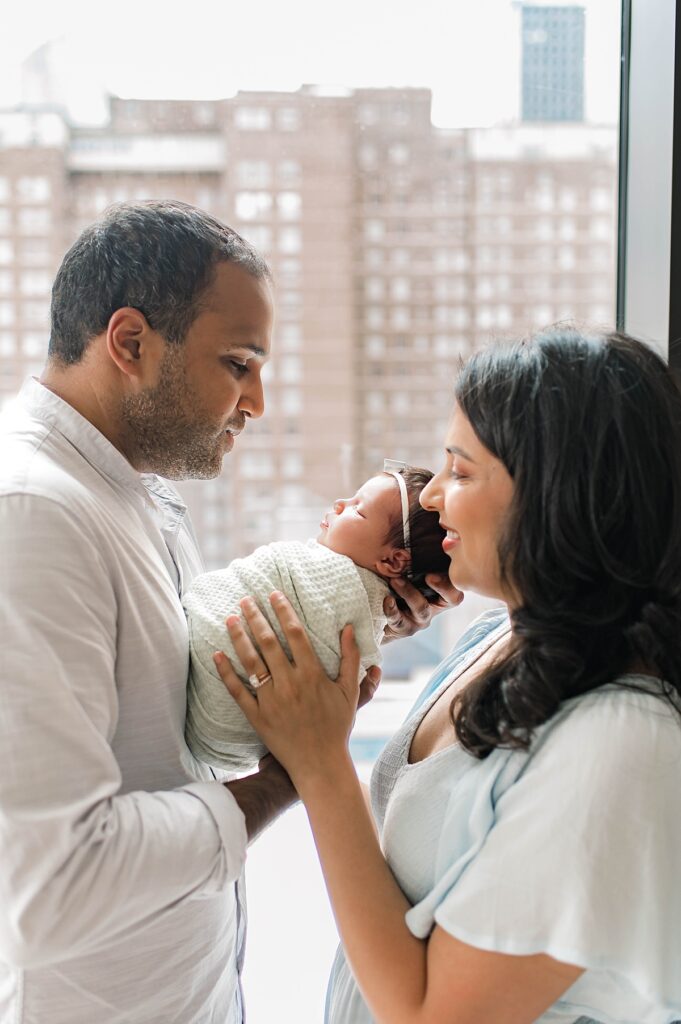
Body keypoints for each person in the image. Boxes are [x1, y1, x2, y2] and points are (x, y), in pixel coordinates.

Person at [0, 198, 457, 1024]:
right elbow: (50, 886)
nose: (256, 404)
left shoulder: (134, 491)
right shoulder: (31, 515)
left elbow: (183, 699)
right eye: (239, 364)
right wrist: (281, 785)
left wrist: (359, 616)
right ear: (131, 343)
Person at [215, 328, 681, 1024]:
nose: (429, 498)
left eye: (460, 473)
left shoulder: (617, 742)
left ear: (560, 497)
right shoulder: (498, 641)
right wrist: (363, 617)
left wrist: (319, 764)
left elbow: (432, 1016)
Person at [185, 464, 450, 771]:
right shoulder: (336, 582)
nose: (339, 504)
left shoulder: (348, 593)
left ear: (393, 560)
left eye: (358, 510)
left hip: (222, 701)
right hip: (224, 746)